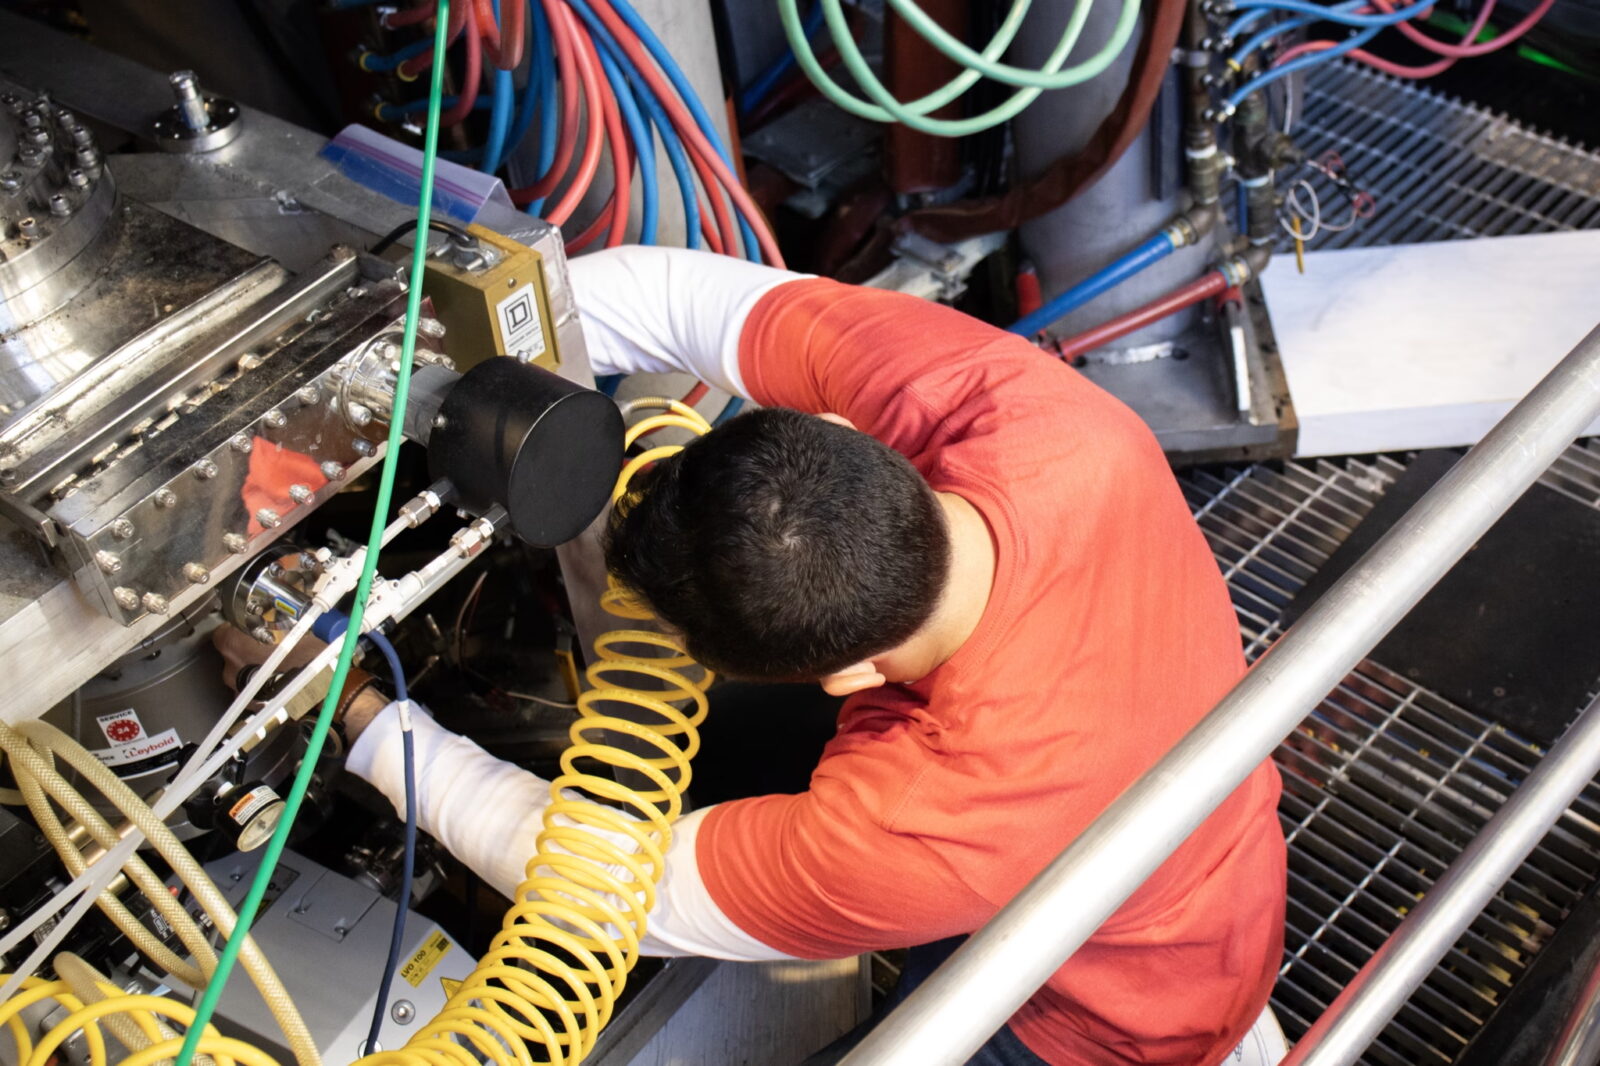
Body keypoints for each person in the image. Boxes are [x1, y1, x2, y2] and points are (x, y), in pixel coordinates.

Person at [217, 246, 1288, 1066]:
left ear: (846, 679)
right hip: (1211, 875)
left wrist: (357, 716)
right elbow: (686, 297)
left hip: (1111, 1027)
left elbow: (588, 889)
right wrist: (399, 379)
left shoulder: (927, 827)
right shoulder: (1040, 417)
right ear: (846, 433)